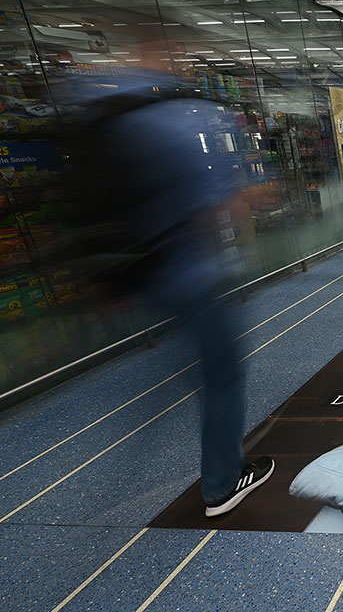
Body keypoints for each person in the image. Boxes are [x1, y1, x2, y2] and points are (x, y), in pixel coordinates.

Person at [59, 57, 273, 518]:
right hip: (188, 273)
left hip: (144, 277)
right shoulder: (178, 120)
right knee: (223, 378)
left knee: (197, 360)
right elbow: (214, 204)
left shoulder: (104, 117)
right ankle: (223, 483)